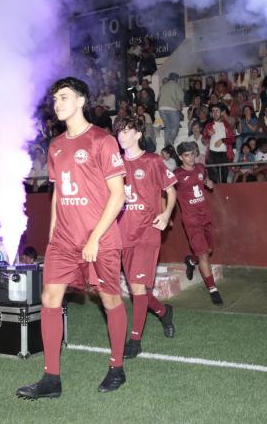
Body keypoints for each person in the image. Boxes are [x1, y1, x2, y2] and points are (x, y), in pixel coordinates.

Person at [16, 77, 127, 399]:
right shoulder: (56, 146)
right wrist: (53, 233)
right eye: (55, 99)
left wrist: (94, 238)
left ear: (81, 101)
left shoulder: (102, 140)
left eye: (64, 97)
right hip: (64, 240)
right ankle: (51, 378)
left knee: (109, 300)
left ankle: (117, 367)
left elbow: (118, 195)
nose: (58, 104)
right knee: (49, 299)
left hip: (100, 239)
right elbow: (58, 194)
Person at [114, 115, 177, 359]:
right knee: (136, 289)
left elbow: (171, 191)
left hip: (147, 232)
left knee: (138, 287)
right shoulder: (115, 164)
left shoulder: (152, 161)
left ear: (138, 134)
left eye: (126, 131)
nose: (121, 136)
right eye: (119, 132)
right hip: (123, 233)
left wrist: (166, 214)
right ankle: (163, 312)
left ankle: (135, 339)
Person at [174, 141, 223, 305]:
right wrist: (165, 214)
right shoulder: (176, 174)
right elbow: (167, 192)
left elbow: (205, 180)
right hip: (191, 220)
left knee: (208, 250)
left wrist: (208, 183)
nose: (191, 158)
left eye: (192, 154)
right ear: (180, 157)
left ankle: (191, 260)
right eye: (186, 155)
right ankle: (213, 289)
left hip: (205, 217)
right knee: (203, 254)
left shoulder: (201, 168)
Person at [202, 103, 235, 184]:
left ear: (222, 112)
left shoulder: (227, 125)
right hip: (212, 154)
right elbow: (203, 140)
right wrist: (208, 135)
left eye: (217, 111)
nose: (215, 113)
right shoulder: (208, 125)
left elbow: (232, 139)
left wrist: (222, 140)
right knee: (213, 179)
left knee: (223, 179)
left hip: (224, 155)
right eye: (213, 111)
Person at [158, 72, 185, 146]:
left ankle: (166, 146)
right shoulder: (176, 85)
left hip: (161, 109)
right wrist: (180, 107)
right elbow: (181, 98)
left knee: (168, 128)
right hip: (172, 108)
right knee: (175, 127)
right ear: (176, 79)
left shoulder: (164, 86)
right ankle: (170, 143)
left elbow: (158, 98)